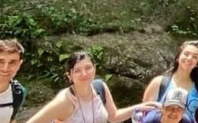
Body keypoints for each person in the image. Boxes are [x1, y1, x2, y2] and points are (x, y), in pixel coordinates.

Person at [24, 51, 157, 123]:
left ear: (94, 69)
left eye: (88, 68)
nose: (84, 74)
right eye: (77, 70)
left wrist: (139, 107)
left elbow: (114, 116)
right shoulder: (64, 101)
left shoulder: (100, 87)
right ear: (69, 76)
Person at [144, 41, 198, 123]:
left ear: (197, 63)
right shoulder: (159, 82)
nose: (189, 58)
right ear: (178, 57)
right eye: (186, 54)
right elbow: (144, 112)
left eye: (195, 57)